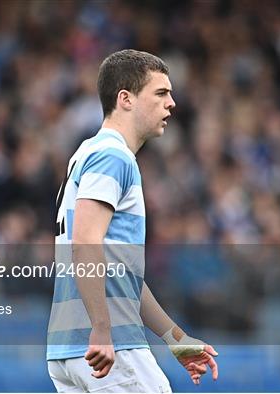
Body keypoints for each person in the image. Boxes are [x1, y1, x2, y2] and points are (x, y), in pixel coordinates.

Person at [47, 49, 219, 393]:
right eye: (160, 93)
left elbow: (120, 272)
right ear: (125, 99)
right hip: (108, 346)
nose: (171, 103)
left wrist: (175, 338)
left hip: (69, 347)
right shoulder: (113, 156)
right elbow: (85, 243)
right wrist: (101, 327)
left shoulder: (85, 154)